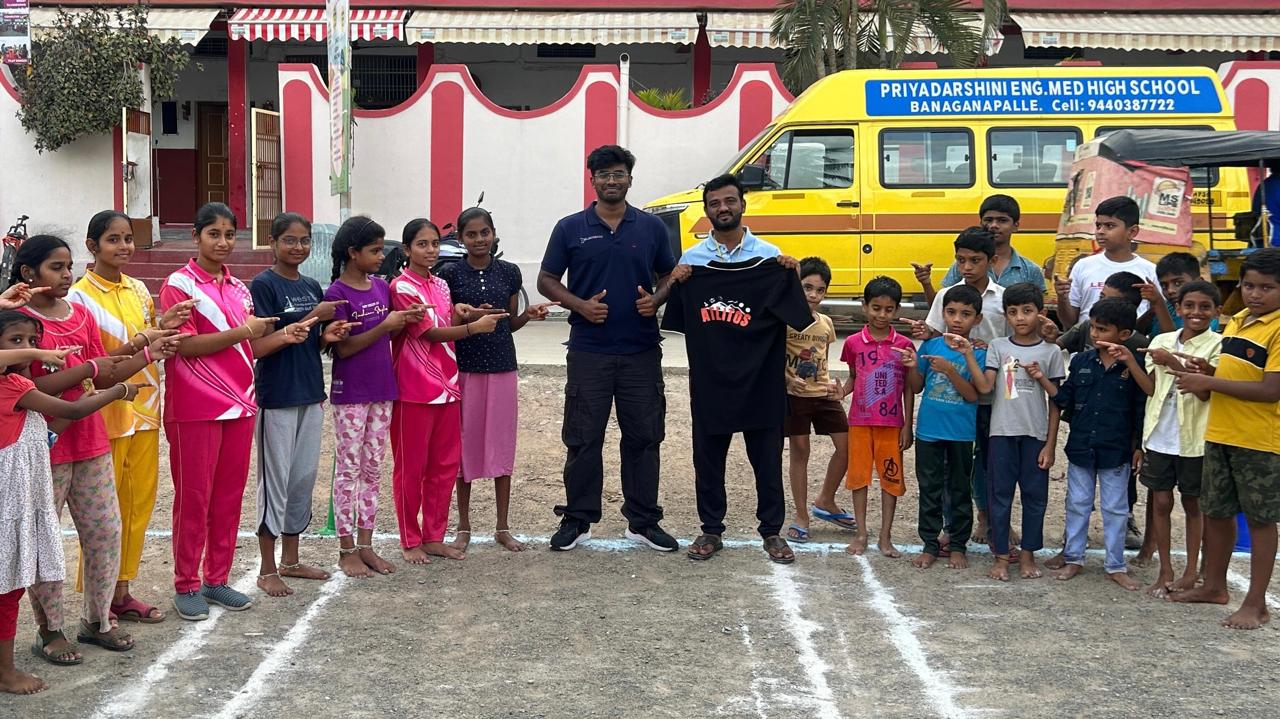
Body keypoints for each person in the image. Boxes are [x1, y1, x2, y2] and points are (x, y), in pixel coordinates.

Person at [15, 235, 175, 654]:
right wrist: (89, 368)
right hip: (42, 447)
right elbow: (26, 387)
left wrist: (146, 353)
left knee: (104, 532)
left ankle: (97, 620)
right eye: (55, 267)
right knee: (45, 541)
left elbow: (103, 374)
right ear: (28, 272)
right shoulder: (16, 323)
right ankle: (50, 631)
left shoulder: (81, 314)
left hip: (90, 440)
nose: (66, 275)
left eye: (69, 266)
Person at [537, 145, 679, 552]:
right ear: (593, 180)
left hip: (641, 350)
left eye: (619, 174)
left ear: (630, 179)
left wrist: (657, 299)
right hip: (589, 350)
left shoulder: (651, 227)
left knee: (644, 437)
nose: (612, 181)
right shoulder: (570, 227)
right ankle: (578, 519)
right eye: (604, 175)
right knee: (583, 438)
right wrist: (579, 305)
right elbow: (547, 279)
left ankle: (643, 521)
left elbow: (669, 274)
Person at [665, 174, 807, 563]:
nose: (723, 208)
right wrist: (675, 282)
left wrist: (791, 276)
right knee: (708, 459)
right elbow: (670, 314)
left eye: (729, 201)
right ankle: (711, 529)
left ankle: (772, 532)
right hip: (711, 382)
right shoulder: (692, 263)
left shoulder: (771, 259)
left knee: (767, 460)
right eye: (714, 203)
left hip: (761, 382)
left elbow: (800, 316)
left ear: (743, 204)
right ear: (707, 210)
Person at [0, 311, 141, 694]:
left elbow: (47, 432)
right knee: (9, 585)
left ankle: (94, 622)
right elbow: (74, 410)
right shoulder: (14, 386)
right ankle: (24, 654)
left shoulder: (18, 383)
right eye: (16, 341)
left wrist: (87, 389)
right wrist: (116, 391)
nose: (28, 348)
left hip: (23, 498)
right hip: (11, 503)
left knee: (12, 587)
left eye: (33, 341)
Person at [68, 211, 194, 624]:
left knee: (138, 506)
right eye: (113, 239)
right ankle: (98, 601)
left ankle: (122, 591)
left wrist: (164, 326)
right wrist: (144, 340)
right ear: (92, 246)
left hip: (145, 409)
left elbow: (149, 335)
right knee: (104, 514)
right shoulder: (79, 298)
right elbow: (91, 364)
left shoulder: (138, 288)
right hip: (105, 414)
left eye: (127, 239)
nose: (123, 246)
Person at [160, 203, 277, 621]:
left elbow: (249, 346)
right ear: (196, 236)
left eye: (229, 234)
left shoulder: (239, 288)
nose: (223, 242)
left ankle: (216, 579)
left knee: (227, 498)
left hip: (240, 405)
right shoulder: (179, 285)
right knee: (194, 498)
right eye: (214, 234)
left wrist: (285, 336)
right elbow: (186, 346)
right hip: (195, 408)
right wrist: (245, 330)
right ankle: (186, 584)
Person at [1168, 248, 1280, 630]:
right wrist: (1210, 370)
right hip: (1220, 432)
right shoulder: (1240, 321)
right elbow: (1241, 375)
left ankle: (1256, 603)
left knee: (1261, 520)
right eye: (1248, 285)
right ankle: (1214, 586)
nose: (1255, 294)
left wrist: (1209, 382)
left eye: (1266, 287)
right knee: (1217, 511)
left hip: (1259, 440)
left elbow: (1271, 390)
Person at [389, 218, 507, 565]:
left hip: (448, 387)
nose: (430, 251)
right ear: (407, 249)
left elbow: (444, 325)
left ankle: (434, 536)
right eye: (422, 244)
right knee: (410, 468)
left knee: (443, 466)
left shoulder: (441, 284)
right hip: (414, 389)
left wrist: (461, 314)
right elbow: (428, 334)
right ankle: (410, 539)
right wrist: (474, 328)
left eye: (434, 244)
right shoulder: (402, 287)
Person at [249, 213, 354, 597]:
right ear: (273, 243)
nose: (298, 247)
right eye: (290, 240)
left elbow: (310, 342)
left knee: (302, 479)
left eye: (304, 240)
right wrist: (314, 317)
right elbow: (260, 345)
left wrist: (328, 334)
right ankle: (267, 568)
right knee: (274, 481)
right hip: (277, 395)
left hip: (310, 392)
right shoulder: (263, 285)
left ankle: (291, 560)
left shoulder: (311, 285)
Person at [437, 209, 555, 554]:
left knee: (502, 445)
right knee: (464, 446)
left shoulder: (509, 271)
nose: (479, 239)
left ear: (493, 233)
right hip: (465, 368)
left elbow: (509, 323)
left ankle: (502, 527)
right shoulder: (449, 274)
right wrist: (467, 317)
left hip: (503, 366)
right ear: (461, 238)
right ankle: (463, 526)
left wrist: (527, 316)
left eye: (484, 232)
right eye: (471, 234)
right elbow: (446, 321)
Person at [325, 216, 424, 577]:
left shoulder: (381, 288)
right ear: (353, 253)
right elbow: (344, 349)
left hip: (383, 390)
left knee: (372, 469)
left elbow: (390, 336)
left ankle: (366, 545)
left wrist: (404, 320)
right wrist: (385, 325)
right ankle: (346, 548)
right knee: (348, 470)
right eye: (375, 250)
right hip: (351, 392)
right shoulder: (336, 294)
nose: (382, 256)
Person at [1051, 298, 1153, 590]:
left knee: (1116, 508)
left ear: (1124, 334)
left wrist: (1138, 446)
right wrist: (1042, 380)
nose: (1095, 334)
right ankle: (1073, 558)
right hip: (1082, 445)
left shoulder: (1135, 365)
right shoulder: (1081, 361)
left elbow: (1142, 406)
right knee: (1077, 503)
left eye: (1103, 329)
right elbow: (1065, 397)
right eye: (1093, 327)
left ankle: (1115, 564)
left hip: (1117, 448)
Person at [915, 226, 1006, 546]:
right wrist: (924, 335)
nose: (967, 267)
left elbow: (1011, 343)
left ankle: (989, 519)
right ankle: (949, 527)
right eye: (961, 260)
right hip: (953, 398)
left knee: (987, 462)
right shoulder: (946, 295)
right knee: (949, 467)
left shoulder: (1002, 299)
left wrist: (987, 349)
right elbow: (935, 336)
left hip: (991, 392)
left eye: (975, 260)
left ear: (992, 261)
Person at [1138, 280, 1221, 599]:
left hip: (1195, 439)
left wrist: (1173, 362)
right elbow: (1151, 387)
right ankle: (1165, 571)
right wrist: (1131, 360)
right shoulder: (1162, 340)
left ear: (1217, 312)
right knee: (1160, 502)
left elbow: (1205, 393)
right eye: (1189, 306)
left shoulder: (1218, 346)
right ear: (1178, 308)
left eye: (1205, 307)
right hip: (1160, 434)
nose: (1196, 312)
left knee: (1193, 503)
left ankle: (1190, 572)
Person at [981, 282, 1065, 581]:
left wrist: (1050, 444)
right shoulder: (998, 346)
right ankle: (1002, 556)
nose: (1020, 318)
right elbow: (987, 386)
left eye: (1027, 311)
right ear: (1005, 315)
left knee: (1035, 496)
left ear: (1040, 314)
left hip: (1036, 435)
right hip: (1001, 432)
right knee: (999, 495)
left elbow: (1056, 401)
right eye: (1013, 311)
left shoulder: (1051, 351)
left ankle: (1028, 554)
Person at [907, 284, 987, 570]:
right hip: (929, 430)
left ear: (977, 319)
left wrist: (950, 370)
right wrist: (911, 366)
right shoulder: (931, 346)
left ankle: (957, 544)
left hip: (961, 433)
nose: (957, 319)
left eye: (965, 314)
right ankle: (930, 544)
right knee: (929, 489)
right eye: (951, 312)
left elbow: (973, 395)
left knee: (959, 488)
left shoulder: (978, 353)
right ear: (942, 314)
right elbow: (917, 386)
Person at [783, 257, 856, 544]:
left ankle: (825, 499)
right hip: (795, 397)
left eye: (820, 289)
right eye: (807, 287)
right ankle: (801, 516)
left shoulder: (826, 323)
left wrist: (837, 389)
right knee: (800, 452)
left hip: (824, 395)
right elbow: (770, 358)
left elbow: (822, 358)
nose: (813, 295)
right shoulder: (783, 319)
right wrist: (787, 379)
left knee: (848, 447)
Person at [842, 276, 915, 558]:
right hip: (859, 422)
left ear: (897, 310)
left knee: (890, 479)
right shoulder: (852, 343)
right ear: (864, 306)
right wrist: (840, 392)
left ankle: (886, 536)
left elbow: (909, 388)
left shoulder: (904, 344)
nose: (881, 314)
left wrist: (907, 425)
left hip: (891, 424)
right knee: (859, 478)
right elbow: (853, 377)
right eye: (876, 308)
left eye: (888, 309)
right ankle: (861, 533)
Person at [914, 195, 1045, 306]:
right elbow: (940, 306)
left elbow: (1038, 312)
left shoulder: (1030, 270)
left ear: (1015, 226)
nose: (994, 225)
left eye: (1002, 220)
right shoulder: (964, 266)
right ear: (981, 223)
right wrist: (926, 284)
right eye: (988, 220)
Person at [1054, 196, 1159, 328]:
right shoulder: (1083, 266)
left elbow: (1155, 318)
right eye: (1098, 225)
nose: (1100, 232)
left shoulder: (1150, 271)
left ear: (1132, 232)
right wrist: (1062, 298)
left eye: (1109, 226)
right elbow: (1070, 322)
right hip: (1086, 340)